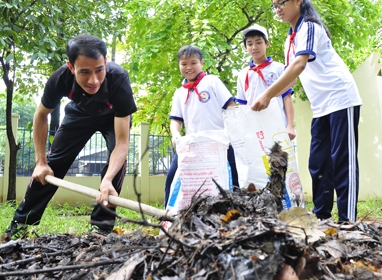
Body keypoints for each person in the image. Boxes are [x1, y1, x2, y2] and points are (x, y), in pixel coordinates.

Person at [4, 34, 137, 240]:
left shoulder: (118, 79)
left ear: (105, 62)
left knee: (116, 168)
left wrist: (108, 179)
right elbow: (40, 116)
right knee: (50, 165)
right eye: (84, 72)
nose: (93, 80)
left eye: (99, 70)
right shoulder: (60, 78)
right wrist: (40, 162)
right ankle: (21, 224)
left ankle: (100, 228)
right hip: (79, 114)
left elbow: (121, 143)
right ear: (71, 67)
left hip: (112, 118)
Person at [251, 0, 362, 223]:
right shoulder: (290, 39)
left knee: (341, 159)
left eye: (282, 3)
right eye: (274, 6)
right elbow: (291, 76)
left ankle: (347, 220)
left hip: (342, 99)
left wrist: (268, 94)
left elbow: (299, 65)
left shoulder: (310, 28)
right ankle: (322, 215)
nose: (278, 9)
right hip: (322, 106)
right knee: (318, 161)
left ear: (298, 0)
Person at [164, 45, 238, 207]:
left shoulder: (212, 82)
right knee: (172, 177)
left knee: (233, 176)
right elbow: (176, 120)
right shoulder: (179, 92)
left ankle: (237, 215)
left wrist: (231, 132)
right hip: (192, 145)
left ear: (202, 63)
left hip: (220, 143)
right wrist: (176, 135)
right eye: (184, 64)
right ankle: (167, 216)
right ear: (179, 65)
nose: (188, 67)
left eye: (193, 63)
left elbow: (230, 105)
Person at [236, 24, 296, 140]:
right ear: (245, 47)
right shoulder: (243, 74)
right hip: (254, 132)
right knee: (258, 159)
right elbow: (242, 105)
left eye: (258, 42)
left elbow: (286, 97)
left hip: (278, 129)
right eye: (249, 44)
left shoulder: (279, 68)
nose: (254, 47)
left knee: (279, 158)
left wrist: (290, 126)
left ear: (267, 44)